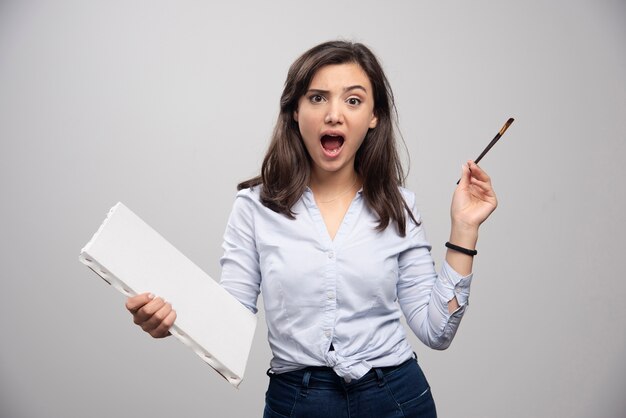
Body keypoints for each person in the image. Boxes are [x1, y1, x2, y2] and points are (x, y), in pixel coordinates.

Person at [125, 40, 497, 418]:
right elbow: (229, 321)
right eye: (318, 98)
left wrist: (464, 228)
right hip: (298, 403)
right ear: (294, 111)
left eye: (353, 100)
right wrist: (169, 322)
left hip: (397, 399)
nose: (334, 115)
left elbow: (437, 331)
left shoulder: (399, 207)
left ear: (374, 116)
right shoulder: (254, 208)